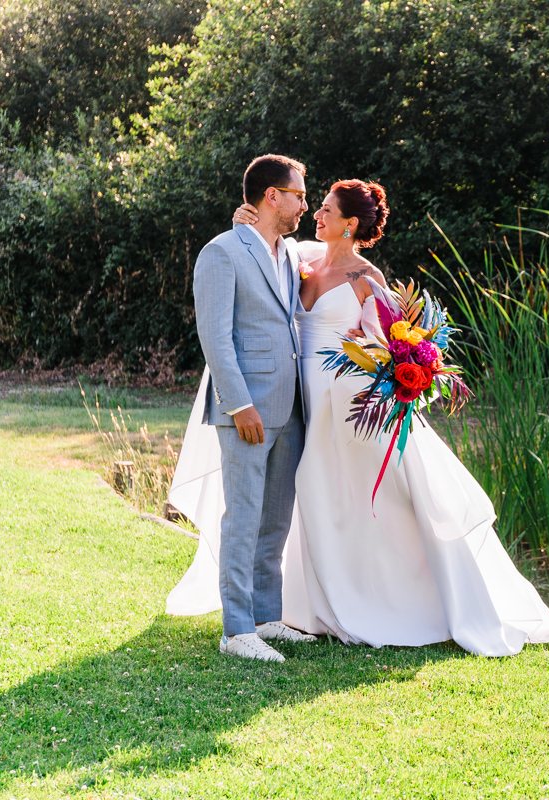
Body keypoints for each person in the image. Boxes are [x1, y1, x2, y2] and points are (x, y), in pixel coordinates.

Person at [167, 176, 549, 658]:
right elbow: (255, 250)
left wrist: (408, 373)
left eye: (323, 208)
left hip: (346, 405)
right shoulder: (299, 259)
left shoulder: (365, 277)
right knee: (308, 505)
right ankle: (254, 622)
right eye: (307, 202)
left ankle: (367, 600)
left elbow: (392, 343)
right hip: (299, 403)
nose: (314, 212)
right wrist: (244, 218)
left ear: (350, 222)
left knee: (343, 507)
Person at [188, 154, 321, 663]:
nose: (305, 205)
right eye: (299, 195)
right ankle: (236, 629)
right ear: (272, 196)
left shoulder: (288, 252)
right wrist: (239, 403)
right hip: (246, 409)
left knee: (275, 521)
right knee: (242, 518)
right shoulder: (221, 253)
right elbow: (215, 337)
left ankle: (267, 617)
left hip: (291, 407)